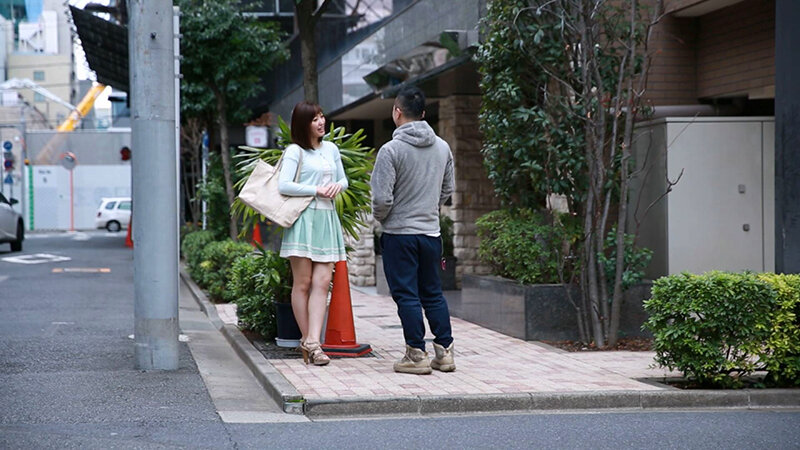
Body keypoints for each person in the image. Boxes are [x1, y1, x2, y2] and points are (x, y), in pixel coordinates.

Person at [371, 86, 456, 375]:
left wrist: (383, 219)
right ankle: (445, 353)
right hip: (431, 234)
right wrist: (429, 208)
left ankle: (416, 354)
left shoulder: (390, 150)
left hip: (399, 235)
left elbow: (381, 199)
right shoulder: (442, 147)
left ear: (397, 112)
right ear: (423, 114)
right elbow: (448, 189)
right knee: (433, 293)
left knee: (407, 295)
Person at [278, 101, 348, 366]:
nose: (321, 122)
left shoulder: (331, 148)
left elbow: (343, 179)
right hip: (303, 219)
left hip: (327, 218)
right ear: (303, 124)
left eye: (322, 116)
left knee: (322, 282)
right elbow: (284, 185)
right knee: (303, 282)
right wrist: (316, 190)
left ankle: (312, 342)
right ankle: (310, 342)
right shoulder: (294, 151)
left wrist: (337, 187)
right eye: (314, 118)